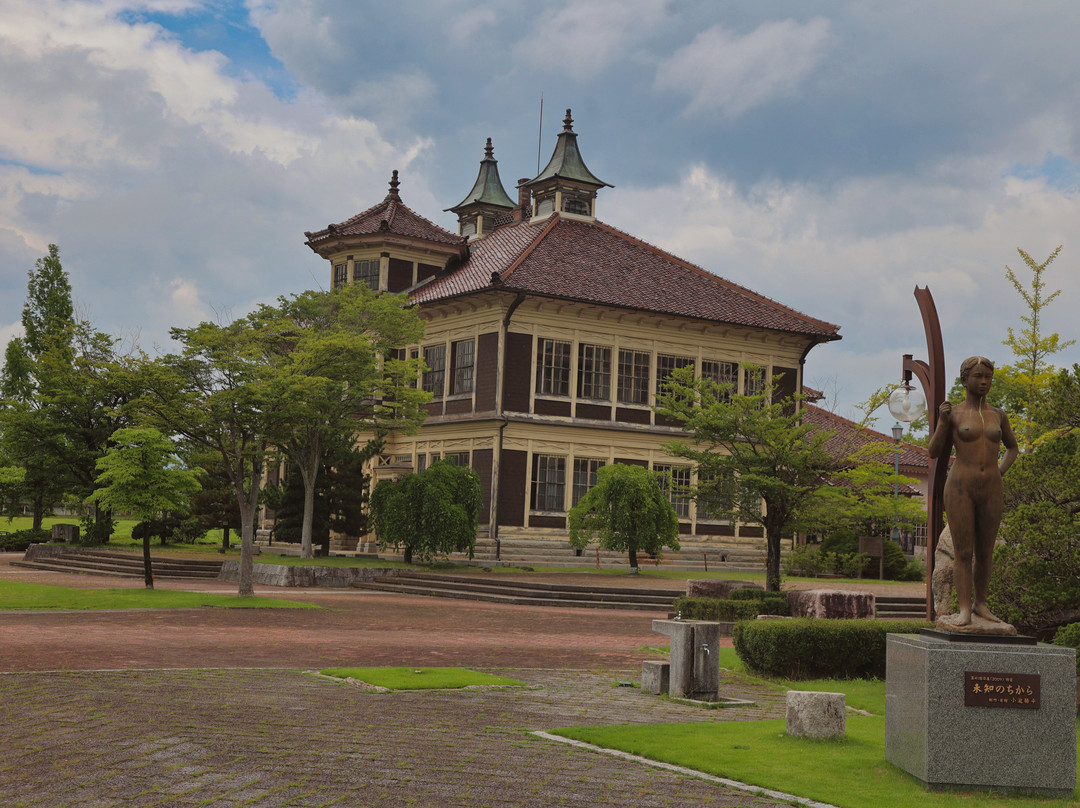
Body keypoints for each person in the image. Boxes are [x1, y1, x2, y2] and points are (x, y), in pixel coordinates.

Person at [927, 356, 1019, 630]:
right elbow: (933, 451)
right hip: (960, 488)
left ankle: (980, 603)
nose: (983, 382)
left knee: (986, 551)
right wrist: (943, 421)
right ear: (965, 379)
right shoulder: (953, 413)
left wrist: (999, 471)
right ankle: (964, 609)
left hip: (991, 488)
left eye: (988, 377)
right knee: (963, 552)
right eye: (978, 376)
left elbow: (1013, 448)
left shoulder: (998, 415)